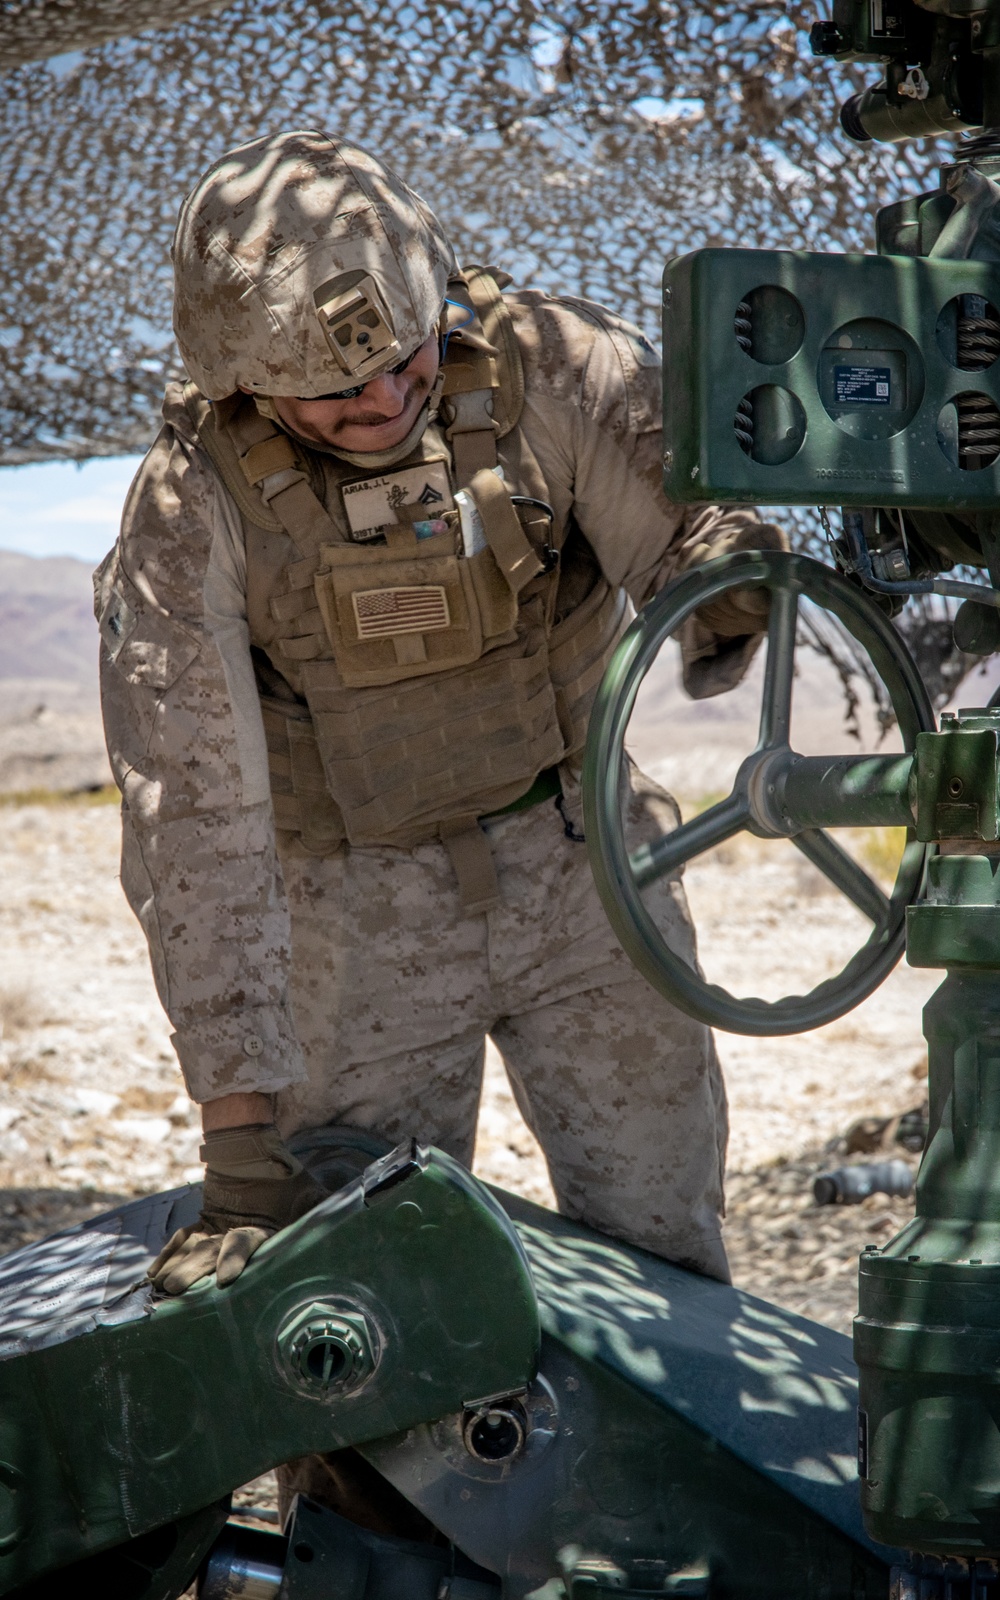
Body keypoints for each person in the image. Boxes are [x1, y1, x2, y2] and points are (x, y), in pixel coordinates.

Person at [96, 128, 786, 1301]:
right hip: (353, 917)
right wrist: (237, 1146)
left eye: (405, 360)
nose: (381, 396)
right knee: (358, 1312)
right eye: (333, 387)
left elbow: (694, 550)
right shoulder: (189, 502)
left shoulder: (554, 369)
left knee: (665, 1267)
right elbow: (196, 825)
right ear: (245, 379)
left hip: (584, 875)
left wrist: (726, 575)